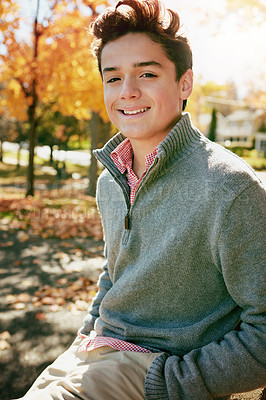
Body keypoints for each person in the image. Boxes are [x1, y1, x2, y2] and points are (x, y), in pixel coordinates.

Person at [17, 0, 266, 399]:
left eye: (147, 73)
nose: (127, 92)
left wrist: (172, 382)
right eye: (112, 78)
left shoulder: (230, 187)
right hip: (93, 351)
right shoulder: (109, 180)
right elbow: (115, 272)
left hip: (157, 369)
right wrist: (84, 335)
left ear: (184, 83)